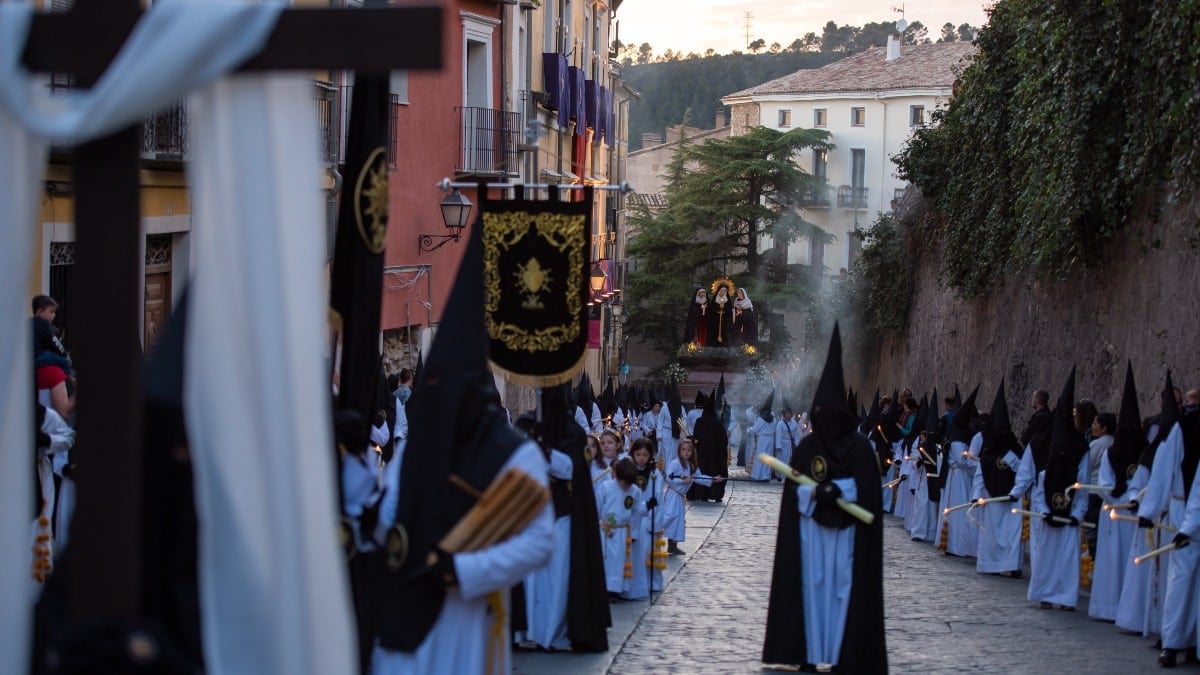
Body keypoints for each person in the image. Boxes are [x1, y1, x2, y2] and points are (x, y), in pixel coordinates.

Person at [370, 219, 554, 675]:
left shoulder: (514, 455)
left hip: (463, 614)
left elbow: (539, 540)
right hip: (399, 604)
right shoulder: (418, 448)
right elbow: (390, 508)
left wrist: (464, 571)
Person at [762, 323, 886, 673]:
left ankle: (844, 653)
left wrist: (839, 490)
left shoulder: (860, 450)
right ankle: (810, 652)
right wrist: (814, 493)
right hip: (811, 538)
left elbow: (868, 494)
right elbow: (795, 491)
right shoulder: (807, 447)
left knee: (843, 592)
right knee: (812, 592)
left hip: (848, 538)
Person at [1006, 368, 1089, 611]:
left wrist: (1077, 514)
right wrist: (1039, 507)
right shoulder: (1040, 443)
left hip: (1070, 510)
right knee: (1046, 555)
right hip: (1045, 512)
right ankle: (1046, 592)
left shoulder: (1080, 448)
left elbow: (1082, 485)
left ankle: (1065, 596)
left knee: (1067, 556)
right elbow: (1029, 473)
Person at [1115, 375, 1179, 636]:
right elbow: (1139, 484)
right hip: (1153, 522)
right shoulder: (1152, 452)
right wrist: (1137, 503)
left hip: (1175, 520)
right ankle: (1145, 621)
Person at [1142, 380, 1200, 666]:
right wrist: (1150, 510)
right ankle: (1175, 640)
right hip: (1184, 510)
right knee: (1181, 581)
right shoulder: (1182, 430)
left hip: (1190, 516)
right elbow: (1165, 471)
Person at [972, 380, 1024, 577]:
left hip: (1012, 497)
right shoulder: (988, 451)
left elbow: (1024, 470)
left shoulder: (1015, 449)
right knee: (992, 533)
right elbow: (979, 475)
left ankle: (1011, 565)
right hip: (992, 497)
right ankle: (992, 564)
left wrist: (1011, 459)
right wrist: (976, 495)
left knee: (1013, 532)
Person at [935, 386, 980, 557]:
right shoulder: (957, 440)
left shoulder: (959, 436)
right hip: (958, 478)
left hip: (960, 477)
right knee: (958, 510)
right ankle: (955, 544)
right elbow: (962, 461)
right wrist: (979, 466)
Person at [663, 436, 724, 555]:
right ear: (679, 451)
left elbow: (699, 478)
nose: (686, 452)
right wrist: (682, 481)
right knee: (668, 517)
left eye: (689, 450)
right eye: (684, 449)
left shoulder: (692, 466)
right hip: (673, 494)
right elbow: (668, 477)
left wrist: (713, 479)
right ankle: (650, 530)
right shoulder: (675, 464)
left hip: (679, 497)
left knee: (678, 520)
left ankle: (672, 545)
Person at [596, 458, 645, 597]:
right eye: (624, 482)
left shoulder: (634, 491)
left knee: (619, 561)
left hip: (623, 530)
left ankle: (616, 590)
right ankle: (604, 589)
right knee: (607, 560)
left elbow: (636, 509)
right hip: (606, 530)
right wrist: (602, 524)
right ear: (616, 476)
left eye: (629, 483)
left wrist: (647, 506)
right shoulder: (606, 487)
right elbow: (597, 508)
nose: (626, 486)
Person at [624, 438, 665, 600]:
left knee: (646, 553)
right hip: (631, 519)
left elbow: (658, 499)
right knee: (633, 556)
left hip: (647, 519)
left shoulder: (655, 474)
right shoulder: (628, 471)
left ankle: (650, 583)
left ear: (650, 456)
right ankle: (630, 586)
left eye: (645, 455)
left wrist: (655, 522)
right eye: (638, 454)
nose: (641, 458)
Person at [691, 389, 730, 502]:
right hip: (715, 456)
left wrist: (697, 447)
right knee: (715, 471)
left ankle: (703, 494)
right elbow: (724, 440)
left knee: (703, 471)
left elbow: (695, 439)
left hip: (702, 455)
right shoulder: (717, 423)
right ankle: (716, 494)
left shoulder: (699, 421)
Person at [749, 392, 776, 482]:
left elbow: (755, 429)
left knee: (760, 457)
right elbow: (774, 428)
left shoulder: (761, 418)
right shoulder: (774, 418)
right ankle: (766, 476)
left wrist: (749, 429)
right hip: (770, 439)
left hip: (762, 439)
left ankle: (758, 476)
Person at [775, 401, 799, 469]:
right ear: (784, 414)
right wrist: (778, 446)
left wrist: (796, 443)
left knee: (791, 460)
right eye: (787, 413)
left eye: (789, 413)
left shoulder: (794, 423)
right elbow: (778, 436)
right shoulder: (780, 424)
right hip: (783, 445)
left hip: (791, 444)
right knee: (782, 460)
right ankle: (781, 476)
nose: (788, 415)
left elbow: (796, 434)